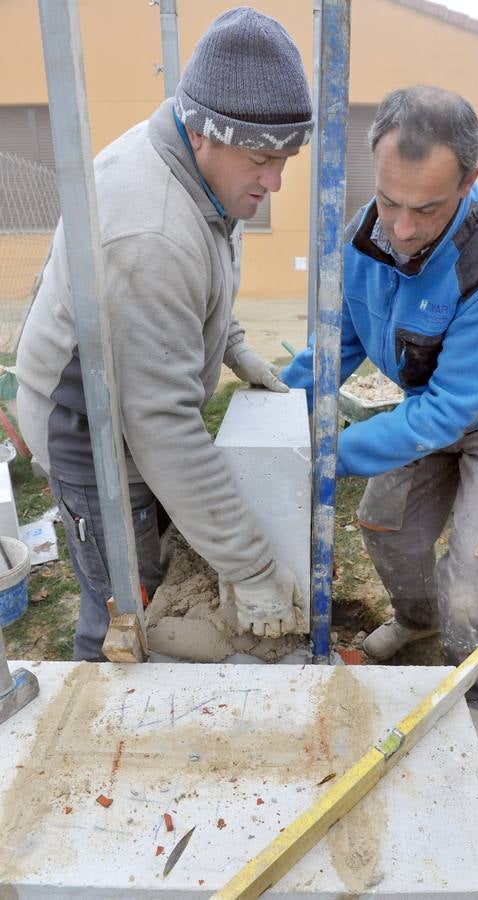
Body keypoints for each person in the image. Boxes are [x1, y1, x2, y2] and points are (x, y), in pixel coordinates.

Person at [16, 7, 313, 661]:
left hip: (131, 403)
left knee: (156, 548)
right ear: (204, 133)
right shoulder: (148, 229)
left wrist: (232, 344)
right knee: (126, 600)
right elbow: (163, 426)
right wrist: (254, 570)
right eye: (263, 159)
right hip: (85, 430)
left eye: (286, 159)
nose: (275, 181)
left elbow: (203, 279)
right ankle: (100, 697)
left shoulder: (202, 172)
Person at [282, 85, 478, 751]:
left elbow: (449, 414)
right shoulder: (363, 237)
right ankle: (419, 620)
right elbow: (336, 347)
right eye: (390, 201)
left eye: (427, 209)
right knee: (384, 523)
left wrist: (329, 454)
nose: (402, 229)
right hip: (434, 399)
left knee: (474, 567)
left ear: (470, 181)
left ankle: (477, 689)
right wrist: (280, 411)